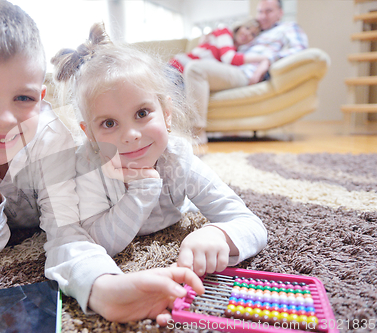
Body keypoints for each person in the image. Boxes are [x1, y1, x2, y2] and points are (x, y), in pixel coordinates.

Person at [0, 0, 203, 326]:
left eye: (23, 98)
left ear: (41, 96)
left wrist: (103, 287)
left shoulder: (49, 138)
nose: (4, 120)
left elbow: (68, 233)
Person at [51, 22, 268, 325]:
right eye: (109, 124)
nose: (131, 135)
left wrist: (218, 233)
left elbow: (249, 223)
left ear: (166, 114)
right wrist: (141, 192)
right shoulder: (87, 168)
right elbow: (96, 242)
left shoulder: (178, 159)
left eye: (142, 114)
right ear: (89, 135)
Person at [185, 0, 308, 143]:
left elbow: (300, 49)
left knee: (195, 68)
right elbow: (229, 52)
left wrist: (268, 60)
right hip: (231, 69)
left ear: (280, 13)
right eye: (260, 11)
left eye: (268, 11)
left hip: (245, 74)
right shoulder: (255, 32)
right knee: (189, 71)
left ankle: (197, 133)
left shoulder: (288, 27)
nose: (263, 16)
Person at [169, 18, 266, 73]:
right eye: (247, 28)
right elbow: (229, 58)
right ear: (240, 26)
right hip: (178, 67)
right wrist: (262, 58)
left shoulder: (236, 51)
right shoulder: (225, 31)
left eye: (253, 34)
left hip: (190, 75)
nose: (247, 33)